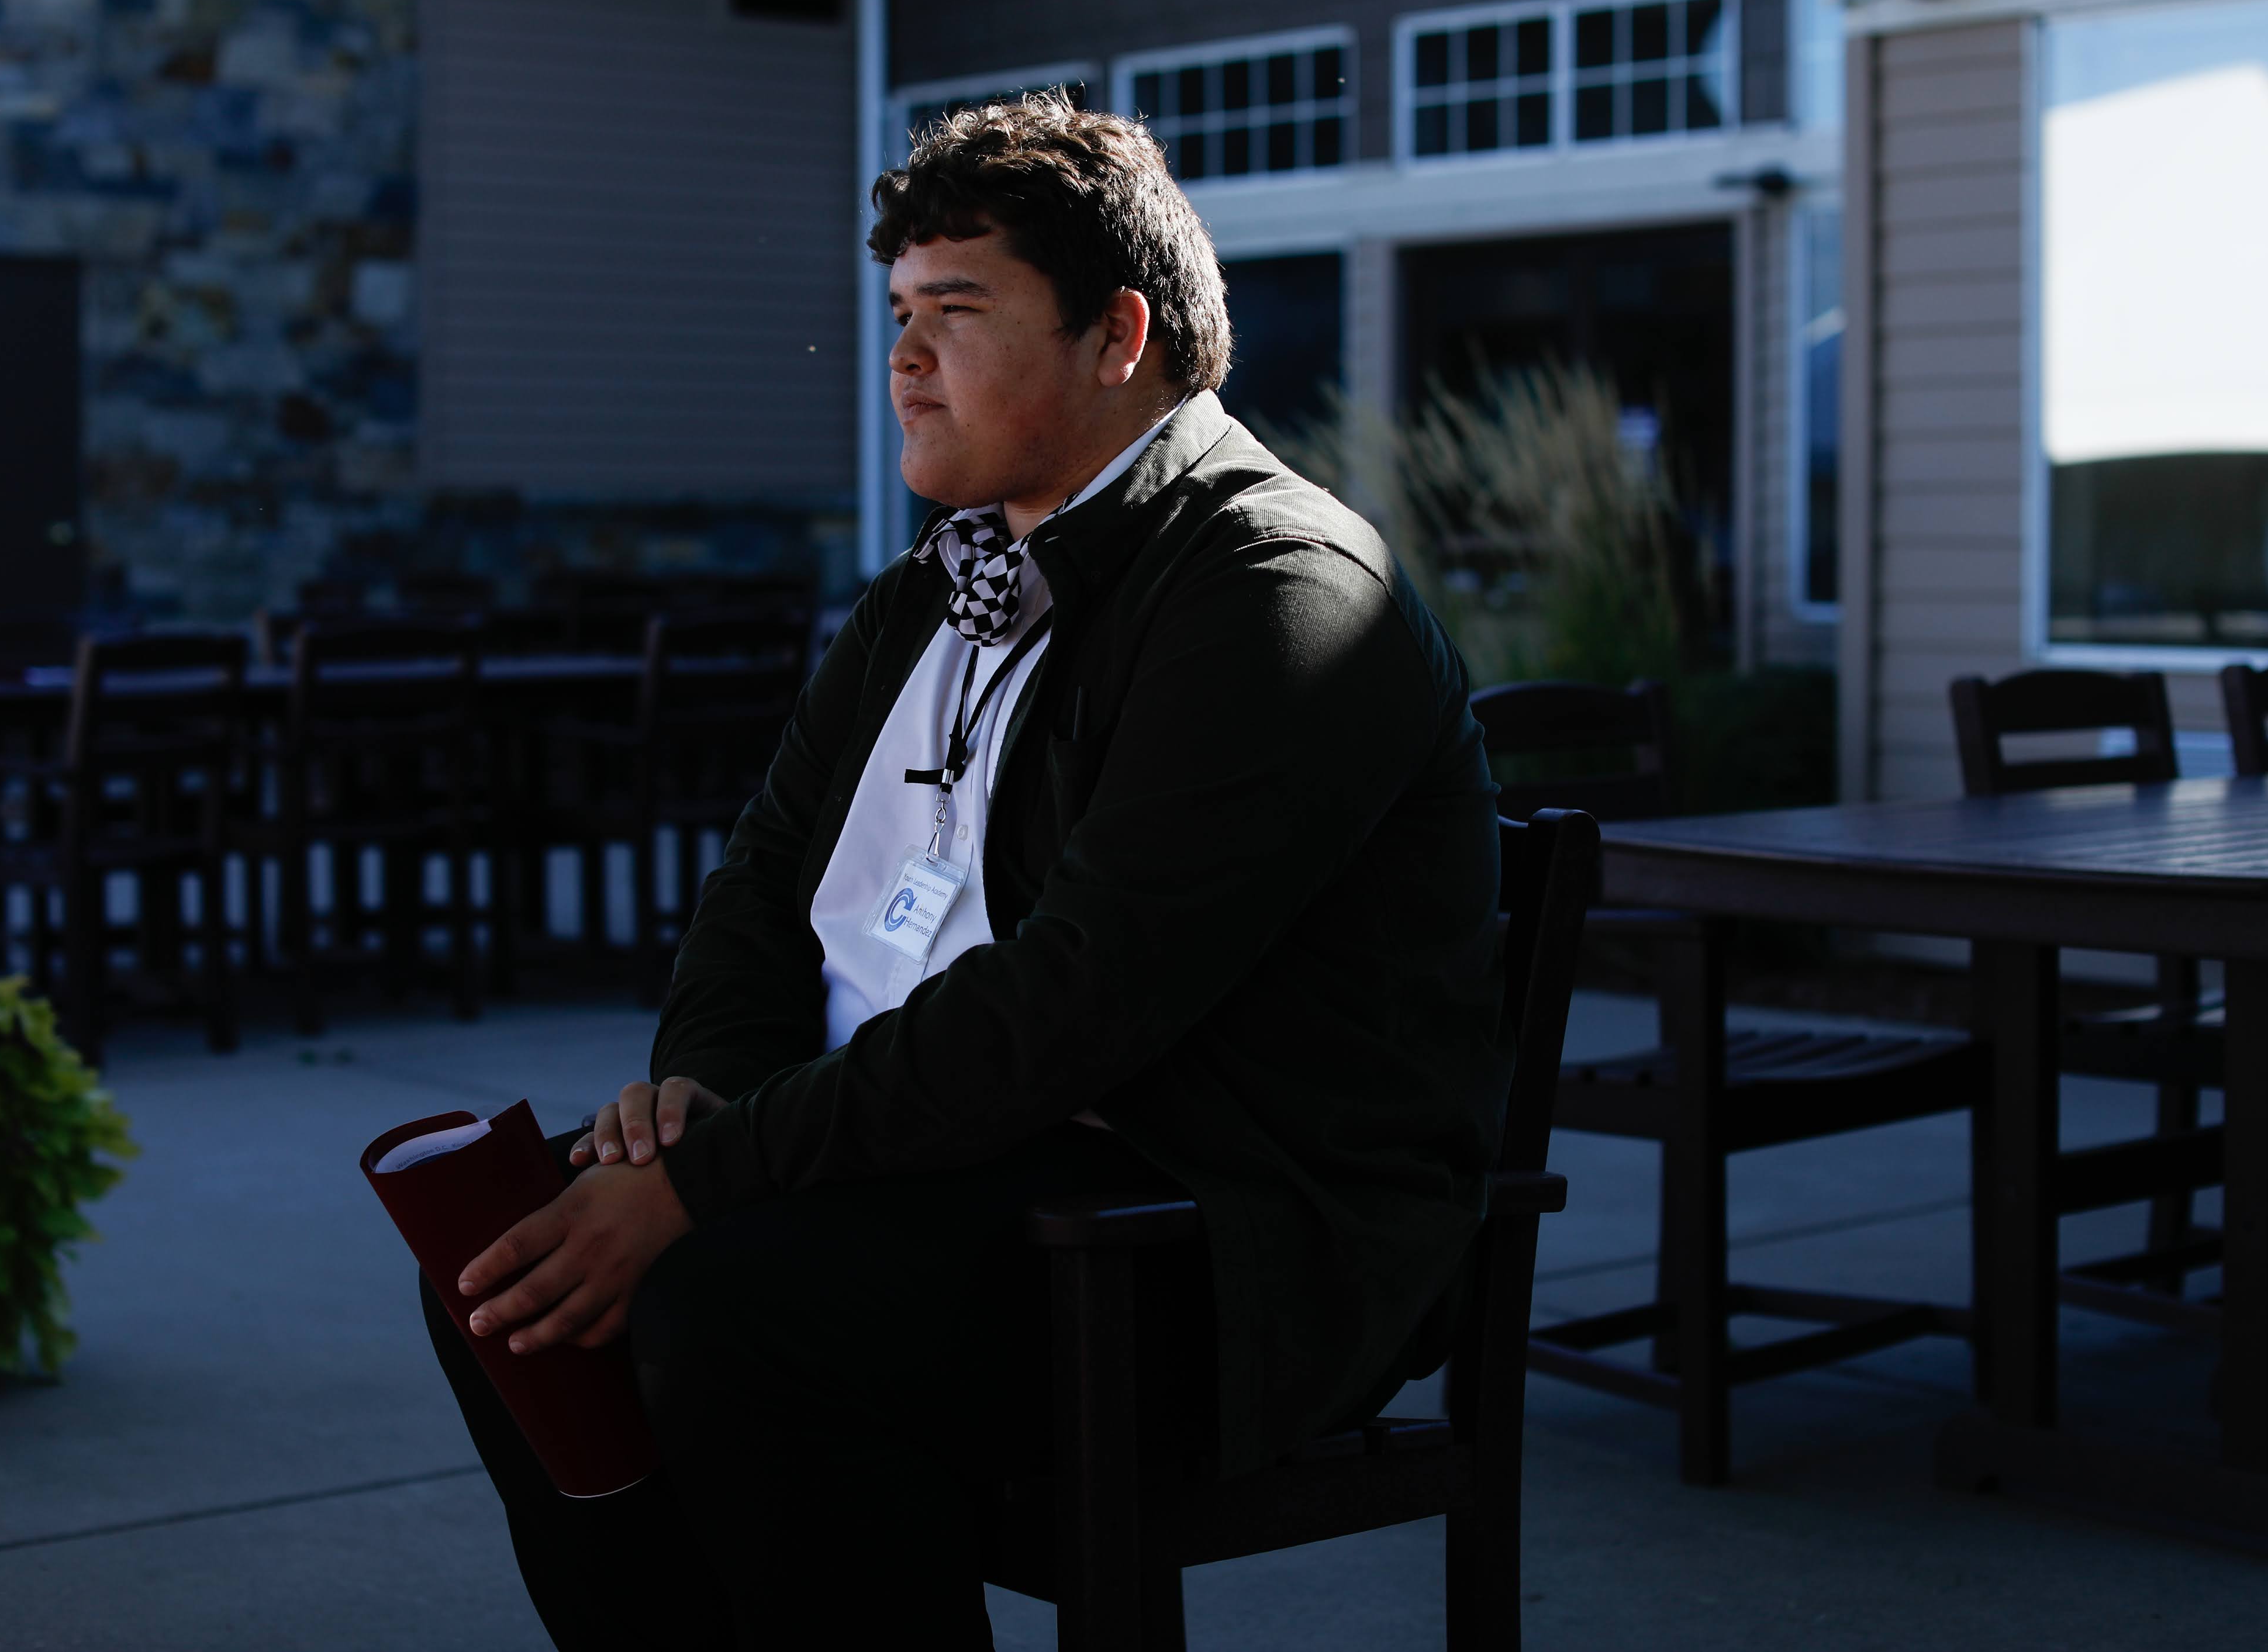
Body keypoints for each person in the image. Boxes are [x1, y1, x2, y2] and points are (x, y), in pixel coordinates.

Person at [426, 95, 1503, 1650]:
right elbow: (756, 896)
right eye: (895, 316)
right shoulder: (930, 591)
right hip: (945, 1167)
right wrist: (701, 1090)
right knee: (505, 1291)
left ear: (1115, 332)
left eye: (956, 312)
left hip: (1199, 1234)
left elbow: (1076, 1000)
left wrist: (702, 1184)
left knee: (721, 1311)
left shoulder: (1273, 583)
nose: (903, 360)